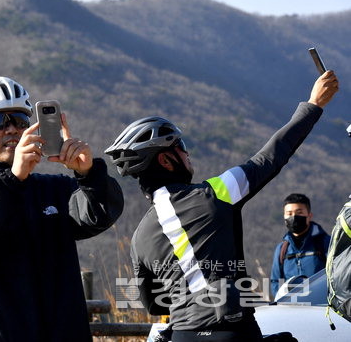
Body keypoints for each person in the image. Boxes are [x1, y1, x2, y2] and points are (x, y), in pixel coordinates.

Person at [104, 71, 339, 342]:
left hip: (182, 335)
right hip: (231, 331)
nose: (187, 152)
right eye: (180, 146)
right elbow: (271, 157)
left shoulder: (138, 237)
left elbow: (154, 304)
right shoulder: (216, 192)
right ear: (166, 161)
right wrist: (313, 105)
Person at [0, 76, 124, 342]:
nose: (11, 129)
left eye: (20, 121)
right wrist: (13, 179)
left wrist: (89, 175)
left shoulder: (55, 190)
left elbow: (100, 214)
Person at [270, 193, 331, 297]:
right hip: (291, 308)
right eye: (289, 213)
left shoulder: (326, 243)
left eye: (299, 212)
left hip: (320, 308)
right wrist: (282, 300)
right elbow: (275, 281)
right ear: (284, 217)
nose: (294, 217)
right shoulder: (282, 249)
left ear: (309, 215)